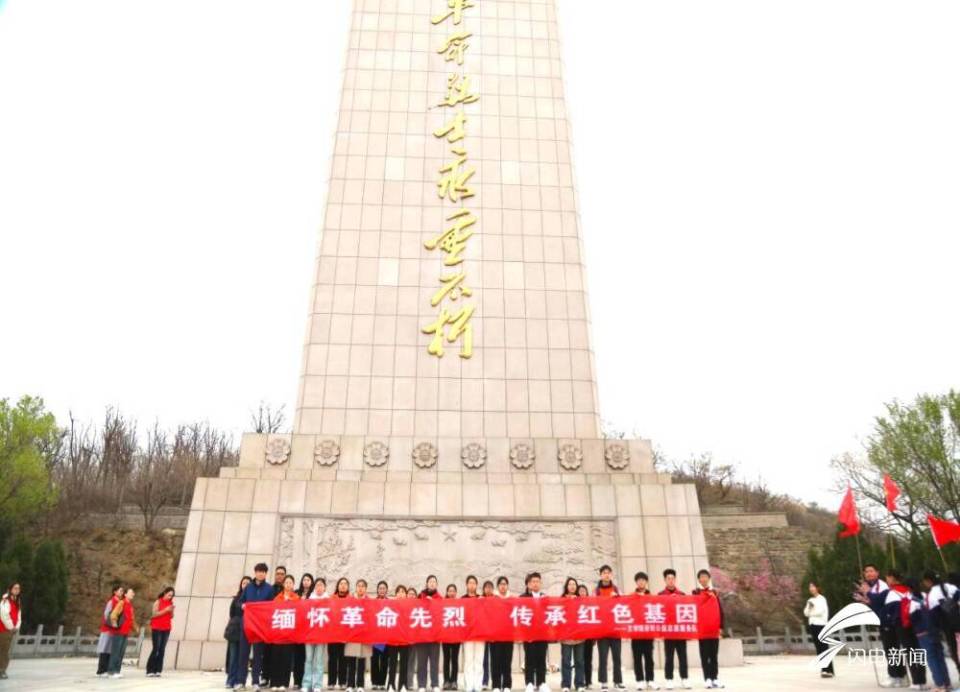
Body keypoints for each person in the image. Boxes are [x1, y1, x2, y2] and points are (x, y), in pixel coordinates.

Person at [856, 563, 901, 687]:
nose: (868, 574)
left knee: (892, 649)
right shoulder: (870, 586)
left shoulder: (882, 585)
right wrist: (865, 600)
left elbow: (880, 600)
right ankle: (896, 674)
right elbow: (874, 603)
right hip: (881, 620)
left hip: (888, 621)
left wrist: (868, 593)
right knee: (889, 649)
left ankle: (896, 676)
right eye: (866, 572)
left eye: (871, 571)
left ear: (877, 572)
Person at [907, 577, 951, 692]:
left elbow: (912, 619)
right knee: (940, 657)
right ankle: (947, 683)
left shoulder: (911, 601)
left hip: (922, 634)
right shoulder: (928, 596)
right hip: (934, 631)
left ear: (909, 588)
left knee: (932, 659)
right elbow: (937, 613)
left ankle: (940, 685)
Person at [240, 562, 278, 691]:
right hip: (247, 626)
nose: (261, 573)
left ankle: (255, 681)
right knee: (243, 654)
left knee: (257, 656)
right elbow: (240, 601)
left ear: (265, 574)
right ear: (255, 572)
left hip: (260, 628)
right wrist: (243, 606)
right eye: (259, 571)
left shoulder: (269, 588)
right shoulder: (248, 587)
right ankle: (241, 682)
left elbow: (271, 606)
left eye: (263, 571)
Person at [921, 570, 960, 672]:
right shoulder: (952, 587)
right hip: (957, 622)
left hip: (948, 628)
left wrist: (933, 633)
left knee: (955, 651)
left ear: (928, 581)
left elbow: (932, 617)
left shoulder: (932, 595)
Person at [690, 570, 723, 690]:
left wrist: (721, 627)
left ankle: (715, 678)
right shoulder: (695, 592)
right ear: (698, 579)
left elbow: (720, 610)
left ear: (709, 578)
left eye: (705, 577)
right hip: (702, 630)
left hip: (714, 629)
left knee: (713, 655)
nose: (703, 579)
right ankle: (707, 678)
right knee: (704, 655)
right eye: (701, 577)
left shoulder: (715, 592)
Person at [658, 570, 690, 690]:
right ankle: (669, 679)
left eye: (672, 578)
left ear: (675, 580)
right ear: (665, 580)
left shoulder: (682, 594)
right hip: (668, 631)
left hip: (680, 631)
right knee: (669, 657)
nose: (670, 580)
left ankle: (684, 678)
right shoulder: (660, 595)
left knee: (683, 656)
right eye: (668, 578)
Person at [594, 565, 624, 692]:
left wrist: (617, 597)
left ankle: (618, 681)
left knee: (617, 657)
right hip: (602, 630)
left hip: (616, 630)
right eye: (604, 573)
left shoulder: (616, 589)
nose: (606, 575)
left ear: (611, 574)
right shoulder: (596, 590)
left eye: (608, 573)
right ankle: (603, 682)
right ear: (600, 575)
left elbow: (624, 604)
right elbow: (593, 605)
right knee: (603, 657)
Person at [271, 574, 300, 690]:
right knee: (276, 658)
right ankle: (274, 682)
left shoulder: (297, 599)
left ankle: (284, 683)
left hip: (290, 635)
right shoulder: (277, 598)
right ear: (283, 584)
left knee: (286, 659)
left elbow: (300, 614)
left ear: (293, 585)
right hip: (278, 634)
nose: (288, 585)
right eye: (286, 582)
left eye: (290, 583)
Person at [628, 573, 657, 690]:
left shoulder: (651, 596)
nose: (641, 582)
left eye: (643, 580)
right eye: (639, 580)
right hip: (636, 632)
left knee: (649, 658)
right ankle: (639, 680)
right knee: (637, 658)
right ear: (636, 582)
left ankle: (650, 679)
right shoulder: (631, 596)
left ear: (646, 582)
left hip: (648, 632)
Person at [521, 572, 548, 692]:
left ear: (541, 583)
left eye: (538, 581)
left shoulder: (545, 597)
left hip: (542, 634)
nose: (535, 584)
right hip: (529, 635)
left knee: (541, 659)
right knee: (529, 659)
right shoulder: (523, 598)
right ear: (529, 584)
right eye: (533, 581)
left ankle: (541, 683)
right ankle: (529, 683)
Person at [803, 580, 833, 679]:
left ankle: (827, 670)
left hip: (821, 625)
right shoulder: (810, 600)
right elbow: (806, 613)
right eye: (810, 587)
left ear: (818, 588)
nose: (811, 588)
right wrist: (810, 609)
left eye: (813, 586)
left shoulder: (822, 599)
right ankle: (824, 669)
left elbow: (820, 612)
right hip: (813, 625)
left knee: (824, 647)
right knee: (818, 647)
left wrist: (811, 612)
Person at [346, 578, 373, 692]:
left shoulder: (370, 602)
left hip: (364, 635)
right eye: (358, 585)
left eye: (362, 586)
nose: (360, 588)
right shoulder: (350, 600)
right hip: (352, 635)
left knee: (362, 661)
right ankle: (350, 685)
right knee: (351, 660)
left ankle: (360, 685)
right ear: (356, 588)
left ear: (366, 589)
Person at [559, 577, 585, 692]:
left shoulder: (581, 600)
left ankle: (579, 684)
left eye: (574, 584)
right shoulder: (561, 600)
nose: (572, 586)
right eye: (570, 584)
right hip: (566, 636)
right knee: (566, 661)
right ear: (566, 587)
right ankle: (566, 684)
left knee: (579, 661)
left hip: (579, 636)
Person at [303, 577, 329, 692]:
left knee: (319, 660)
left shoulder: (329, 601)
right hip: (309, 635)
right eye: (317, 585)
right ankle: (307, 684)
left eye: (321, 585)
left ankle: (317, 685)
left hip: (322, 636)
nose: (319, 587)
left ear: (324, 588)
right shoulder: (308, 600)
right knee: (308, 659)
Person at [418, 575, 443, 692]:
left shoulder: (440, 599)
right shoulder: (420, 597)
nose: (432, 583)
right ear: (426, 584)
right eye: (430, 581)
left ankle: (435, 684)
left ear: (436, 585)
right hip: (422, 636)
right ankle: (422, 684)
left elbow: (442, 615)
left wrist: (434, 604)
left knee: (434, 661)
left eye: (434, 582)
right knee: (422, 661)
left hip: (435, 636)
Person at [226, 576, 251, 690]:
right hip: (235, 630)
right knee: (233, 657)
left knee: (243, 658)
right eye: (243, 583)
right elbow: (231, 614)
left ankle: (240, 680)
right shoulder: (236, 599)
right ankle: (230, 680)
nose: (245, 585)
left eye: (247, 583)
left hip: (246, 630)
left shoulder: (251, 600)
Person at [489, 576, 513, 692]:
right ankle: (496, 685)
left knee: (507, 662)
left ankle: (507, 685)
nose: (503, 586)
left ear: (507, 586)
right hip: (495, 637)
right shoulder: (492, 599)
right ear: (498, 586)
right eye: (501, 584)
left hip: (508, 636)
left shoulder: (513, 600)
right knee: (495, 662)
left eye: (505, 584)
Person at [145, 586, 175, 677]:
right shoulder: (158, 602)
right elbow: (154, 614)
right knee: (156, 648)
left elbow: (171, 616)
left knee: (162, 649)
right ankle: (150, 670)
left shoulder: (170, 603)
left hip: (166, 628)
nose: (170, 597)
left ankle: (158, 669)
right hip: (157, 627)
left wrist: (171, 611)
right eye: (169, 595)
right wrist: (165, 610)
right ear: (165, 593)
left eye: (172, 596)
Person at [462, 576, 485, 692]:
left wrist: (484, 601)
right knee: (468, 661)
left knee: (479, 660)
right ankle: (469, 684)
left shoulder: (481, 599)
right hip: (467, 635)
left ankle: (478, 684)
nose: (472, 585)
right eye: (470, 583)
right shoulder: (462, 599)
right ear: (466, 585)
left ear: (476, 585)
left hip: (480, 634)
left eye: (474, 583)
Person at [107, 587, 136, 678]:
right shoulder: (122, 603)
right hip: (119, 631)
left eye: (133, 593)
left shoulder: (130, 606)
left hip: (125, 632)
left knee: (121, 652)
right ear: (125, 594)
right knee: (115, 652)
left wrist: (135, 629)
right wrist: (114, 623)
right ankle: (111, 671)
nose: (133, 594)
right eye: (131, 592)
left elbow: (132, 619)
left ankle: (117, 671)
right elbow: (113, 614)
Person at [97, 584, 125, 676]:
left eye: (122, 591)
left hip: (115, 630)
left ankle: (106, 669)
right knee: (105, 649)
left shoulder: (120, 602)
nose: (122, 592)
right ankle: (101, 670)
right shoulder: (111, 601)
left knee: (110, 650)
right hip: (108, 629)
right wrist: (112, 623)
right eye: (120, 591)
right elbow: (106, 615)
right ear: (115, 592)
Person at [329, 577, 351, 690]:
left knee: (344, 659)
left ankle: (343, 681)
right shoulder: (331, 598)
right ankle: (331, 682)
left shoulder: (351, 599)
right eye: (341, 583)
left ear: (347, 587)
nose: (343, 585)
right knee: (332, 658)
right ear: (337, 586)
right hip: (333, 634)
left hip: (346, 634)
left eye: (345, 584)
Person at [294, 573, 315, 690]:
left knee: (309, 657)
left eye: (308, 580)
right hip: (298, 629)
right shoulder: (296, 593)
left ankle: (308, 681)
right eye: (304, 580)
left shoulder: (314, 595)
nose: (306, 582)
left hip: (309, 630)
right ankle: (297, 680)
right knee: (298, 656)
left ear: (311, 582)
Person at [387, 584, 409, 692]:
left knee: (404, 663)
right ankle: (391, 684)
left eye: (403, 592)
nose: (401, 594)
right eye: (399, 591)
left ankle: (403, 685)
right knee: (392, 663)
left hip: (405, 640)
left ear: (406, 594)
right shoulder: (391, 604)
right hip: (393, 640)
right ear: (395, 594)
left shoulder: (410, 606)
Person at [0, 583, 22, 680]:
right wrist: (11, 627)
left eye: (18, 588)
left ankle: (2, 669)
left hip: (11, 630)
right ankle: (2, 670)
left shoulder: (18, 601)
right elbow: (4, 615)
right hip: (3, 629)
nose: (17, 590)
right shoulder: (5, 600)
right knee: (3, 650)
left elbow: (19, 616)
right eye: (15, 588)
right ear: (10, 589)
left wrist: (16, 626)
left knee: (5, 650)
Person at [372, 580, 390, 690]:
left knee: (384, 661)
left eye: (384, 588)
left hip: (386, 637)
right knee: (374, 660)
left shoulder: (391, 603)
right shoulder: (372, 603)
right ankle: (374, 682)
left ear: (386, 590)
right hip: (374, 636)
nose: (382, 590)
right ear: (377, 590)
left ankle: (382, 682)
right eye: (380, 588)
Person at [443, 583, 461, 690]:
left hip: (456, 636)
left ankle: (454, 681)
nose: (452, 593)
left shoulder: (459, 603)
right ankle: (446, 681)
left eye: (453, 591)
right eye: (450, 591)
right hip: (445, 636)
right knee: (446, 659)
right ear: (447, 592)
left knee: (454, 659)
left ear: (456, 592)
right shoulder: (442, 603)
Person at [576, 584, 594, 690]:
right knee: (579, 660)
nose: (582, 592)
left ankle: (588, 681)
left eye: (584, 591)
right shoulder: (574, 603)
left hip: (588, 637)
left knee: (588, 660)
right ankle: (580, 681)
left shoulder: (591, 605)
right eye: (580, 591)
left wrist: (594, 637)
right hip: (578, 637)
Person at [405, 586, 421, 691]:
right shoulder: (402, 606)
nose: (411, 595)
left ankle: (409, 682)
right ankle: (403, 681)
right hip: (402, 639)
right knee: (403, 661)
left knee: (411, 661)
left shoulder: (419, 607)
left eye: (413, 594)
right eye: (409, 593)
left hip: (414, 639)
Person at [481, 581, 495, 691]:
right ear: (484, 589)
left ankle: (494, 681)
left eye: (490, 587)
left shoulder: (497, 601)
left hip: (494, 634)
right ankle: (484, 681)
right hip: (483, 634)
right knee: (484, 660)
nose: (488, 589)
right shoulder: (479, 600)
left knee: (494, 659)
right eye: (487, 587)